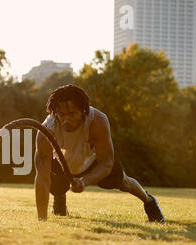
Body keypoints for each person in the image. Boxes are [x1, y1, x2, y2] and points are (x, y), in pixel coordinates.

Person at [34, 84, 165, 222]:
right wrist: (42, 220)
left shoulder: (97, 121)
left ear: (83, 111)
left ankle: (149, 201)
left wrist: (84, 182)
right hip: (62, 161)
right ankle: (59, 200)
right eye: (61, 114)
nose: (66, 119)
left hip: (93, 160)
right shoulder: (47, 130)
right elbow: (42, 177)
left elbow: (106, 163)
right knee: (56, 187)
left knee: (123, 182)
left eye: (72, 113)